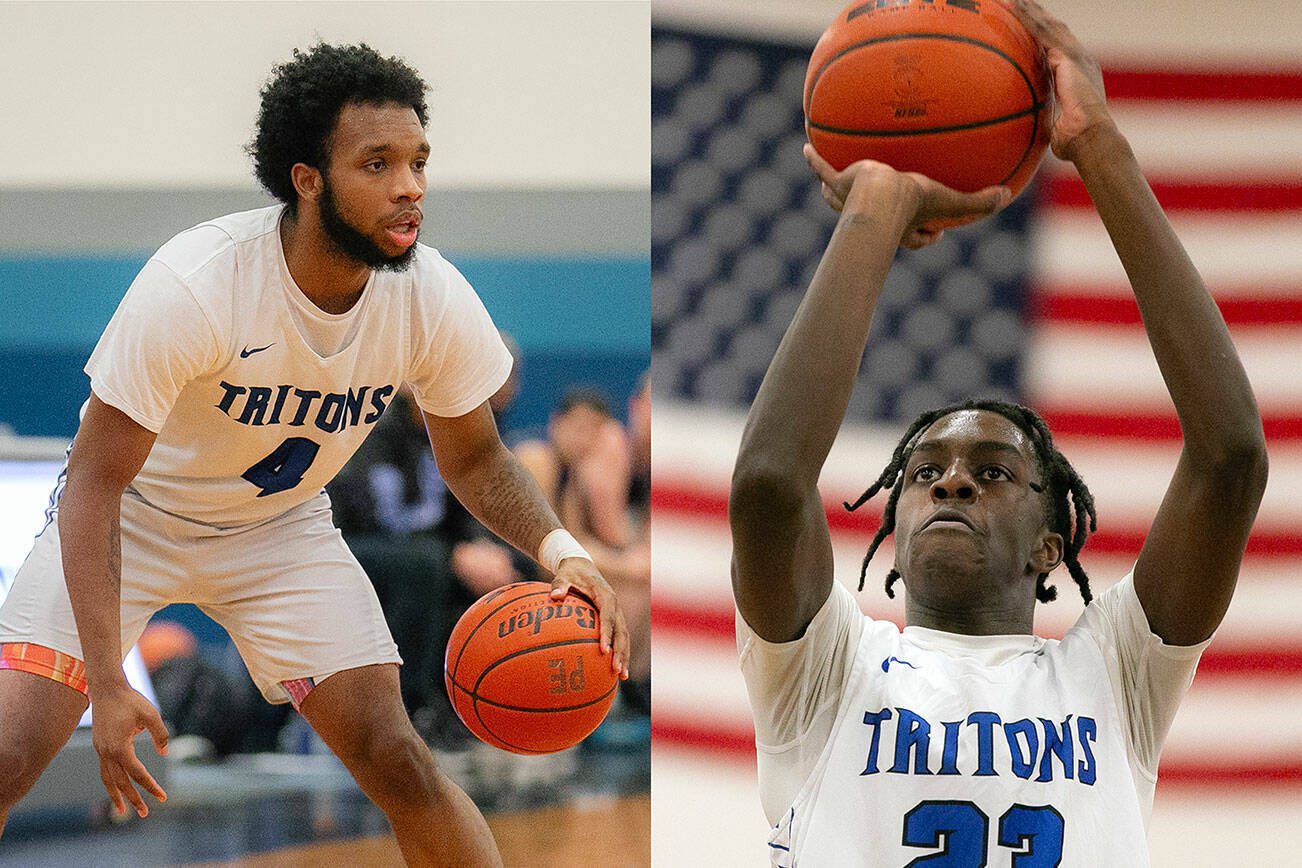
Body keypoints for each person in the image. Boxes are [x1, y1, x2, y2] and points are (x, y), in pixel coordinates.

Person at [0, 43, 628, 867]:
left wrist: (562, 551)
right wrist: (110, 683)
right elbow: (93, 482)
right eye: (378, 164)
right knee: (10, 758)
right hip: (132, 519)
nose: (410, 187)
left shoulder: (429, 295)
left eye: (418, 162)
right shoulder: (198, 285)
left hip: (278, 532)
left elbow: (475, 458)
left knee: (399, 760)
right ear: (307, 179)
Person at [728, 2, 1268, 864]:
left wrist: (1099, 148)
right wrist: (875, 209)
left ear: (1050, 547)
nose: (951, 482)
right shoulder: (828, 667)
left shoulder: (1114, 674)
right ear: (892, 537)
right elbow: (766, 487)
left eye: (994, 473)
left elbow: (1231, 457)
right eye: (925, 472)